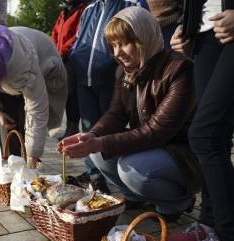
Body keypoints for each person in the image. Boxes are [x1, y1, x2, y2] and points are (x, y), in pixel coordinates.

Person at [59, 7, 201, 221]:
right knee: (97, 151)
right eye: (113, 45)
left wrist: (99, 143)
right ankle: (134, 195)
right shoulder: (127, 71)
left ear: (144, 37)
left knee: (131, 170)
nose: (117, 53)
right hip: (153, 148)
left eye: (124, 43)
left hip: (181, 153)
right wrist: (91, 135)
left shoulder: (179, 69)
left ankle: (177, 202)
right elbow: (116, 114)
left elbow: (157, 132)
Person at [167, 0, 234, 241]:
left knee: (203, 135)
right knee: (217, 137)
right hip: (205, 35)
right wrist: (187, 24)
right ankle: (209, 223)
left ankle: (228, 237)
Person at [0, 25, 68, 169]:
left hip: (42, 66)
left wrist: (33, 153)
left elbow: (36, 110)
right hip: (4, 75)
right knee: (9, 124)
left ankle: (27, 165)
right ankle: (14, 168)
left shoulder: (23, 65)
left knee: (29, 130)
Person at [68, 0, 148, 193]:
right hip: (84, 78)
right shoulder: (88, 8)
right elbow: (79, 38)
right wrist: (75, 56)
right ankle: (95, 176)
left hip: (112, 78)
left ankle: (125, 180)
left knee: (110, 128)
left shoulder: (131, 3)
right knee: (88, 128)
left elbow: (143, 38)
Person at [51, 0, 89, 140]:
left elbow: (79, 34)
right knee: (66, 93)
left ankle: (73, 128)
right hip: (61, 58)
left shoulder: (83, 9)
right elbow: (55, 32)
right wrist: (54, 50)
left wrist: (63, 50)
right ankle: (69, 127)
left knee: (73, 94)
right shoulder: (64, 11)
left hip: (73, 57)